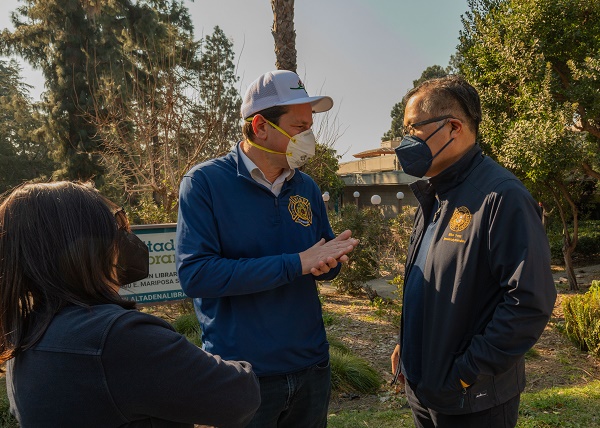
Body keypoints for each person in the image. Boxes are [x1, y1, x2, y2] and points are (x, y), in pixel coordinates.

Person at [176, 70, 358, 428]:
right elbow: (196, 275)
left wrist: (331, 261)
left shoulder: (305, 187)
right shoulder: (204, 184)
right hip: (242, 376)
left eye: (310, 127)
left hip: (311, 368)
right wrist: (296, 264)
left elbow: (315, 257)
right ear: (259, 127)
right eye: (298, 127)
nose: (308, 137)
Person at [0, 181, 260, 427]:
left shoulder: (26, 335)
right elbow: (240, 397)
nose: (121, 248)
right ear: (88, 250)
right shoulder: (117, 337)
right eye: (114, 235)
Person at [389, 75, 557, 427]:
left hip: (472, 400)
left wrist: (467, 373)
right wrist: (408, 346)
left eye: (413, 128)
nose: (404, 141)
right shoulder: (435, 194)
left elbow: (529, 302)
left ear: (453, 127)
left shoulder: (501, 196)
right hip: (425, 390)